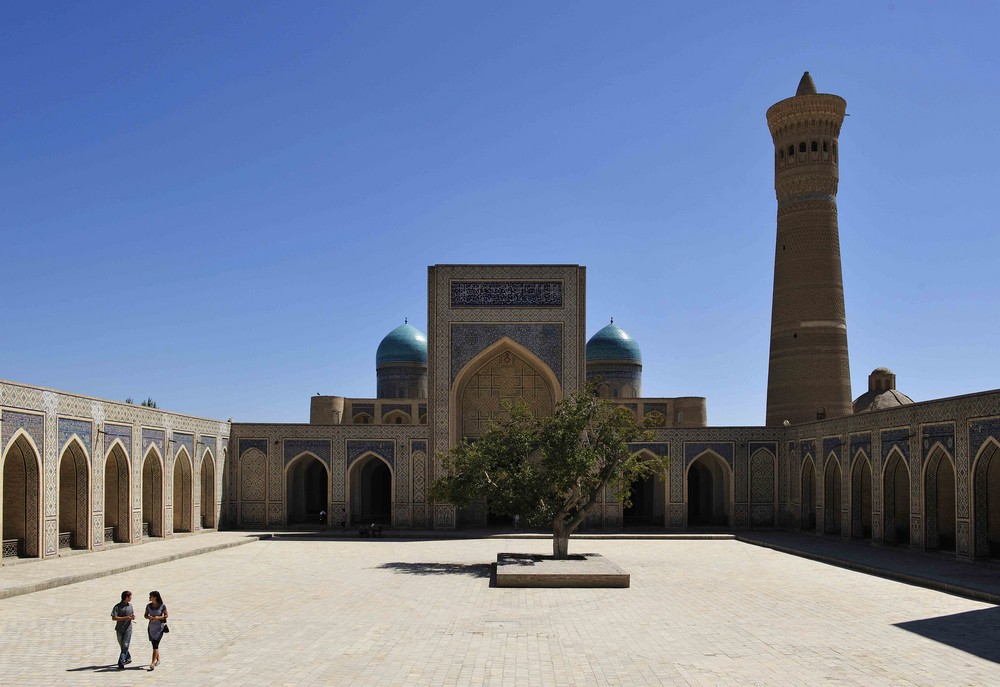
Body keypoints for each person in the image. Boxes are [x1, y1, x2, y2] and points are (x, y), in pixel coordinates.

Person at [143, 590, 168, 671]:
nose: (149, 597)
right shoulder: (148, 606)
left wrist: (158, 617)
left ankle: (152, 663)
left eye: (151, 596)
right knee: (155, 645)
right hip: (151, 628)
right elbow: (145, 615)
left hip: (159, 628)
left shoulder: (162, 606)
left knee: (155, 644)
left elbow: (166, 615)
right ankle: (158, 660)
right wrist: (149, 617)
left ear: (155, 597)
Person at [110, 590, 135, 670]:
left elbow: (132, 614)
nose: (131, 598)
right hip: (119, 629)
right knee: (122, 645)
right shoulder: (117, 607)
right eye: (130, 597)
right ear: (126, 597)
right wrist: (125, 618)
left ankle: (121, 662)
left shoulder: (130, 606)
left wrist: (132, 617)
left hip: (128, 629)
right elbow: (114, 618)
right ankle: (128, 658)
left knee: (125, 645)